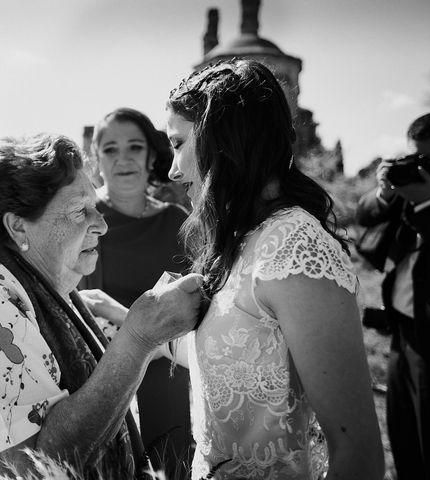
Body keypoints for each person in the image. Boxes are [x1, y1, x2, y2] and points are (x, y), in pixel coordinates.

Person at [0, 133, 204, 479]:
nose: (101, 225)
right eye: (80, 211)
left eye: (96, 207)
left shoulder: (58, 294)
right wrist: (136, 340)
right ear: (18, 227)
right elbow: (32, 468)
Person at [163, 59, 384, 479]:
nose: (172, 170)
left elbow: (359, 455)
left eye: (177, 144)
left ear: (220, 138)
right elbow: (243, 361)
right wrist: (131, 323)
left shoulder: (294, 247)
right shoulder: (242, 240)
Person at [79, 107, 193, 478]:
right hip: (100, 378)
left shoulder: (178, 220)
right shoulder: (77, 218)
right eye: (110, 149)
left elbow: (196, 310)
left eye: (134, 147)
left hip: (170, 379)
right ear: (96, 159)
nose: (123, 158)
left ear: (151, 155)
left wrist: (122, 314)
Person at [356, 111, 430, 480]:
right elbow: (365, 216)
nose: (424, 167)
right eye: (416, 158)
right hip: (402, 335)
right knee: (404, 439)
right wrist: (385, 193)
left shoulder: (427, 198)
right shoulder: (413, 191)